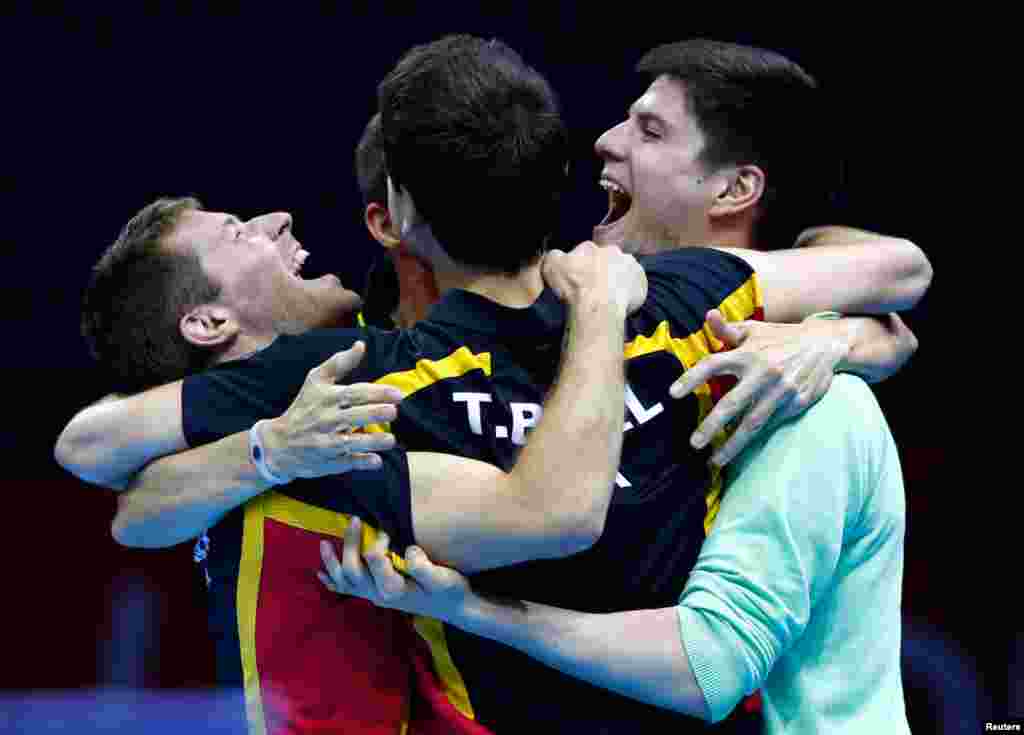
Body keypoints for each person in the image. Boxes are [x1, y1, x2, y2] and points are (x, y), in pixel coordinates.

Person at [55, 36, 929, 732]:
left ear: (401, 214)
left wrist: (837, 343)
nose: (610, 141)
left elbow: (898, 273)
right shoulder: (339, 393)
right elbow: (121, 486)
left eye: (650, 130)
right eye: (239, 230)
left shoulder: (742, 340)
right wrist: (265, 451)